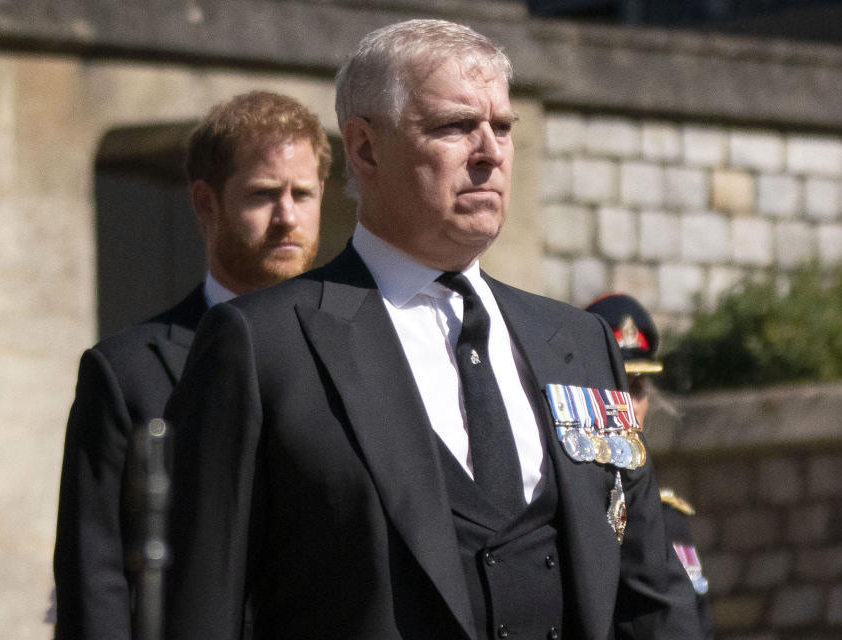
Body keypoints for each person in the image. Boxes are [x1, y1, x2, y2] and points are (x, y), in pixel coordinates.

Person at [164, 19, 702, 640]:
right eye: (454, 127)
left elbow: (649, 590)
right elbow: (203, 604)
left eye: (501, 127)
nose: (489, 152)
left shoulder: (577, 344)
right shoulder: (263, 344)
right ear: (365, 149)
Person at [53, 90, 331, 639]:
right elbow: (95, 577)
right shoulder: (125, 372)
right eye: (262, 195)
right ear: (206, 202)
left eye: (303, 193)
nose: (287, 217)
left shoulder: (363, 351)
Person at [586, 292, 715, 639]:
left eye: (637, 388)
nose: (628, 406)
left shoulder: (667, 516)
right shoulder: (565, 508)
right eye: (615, 387)